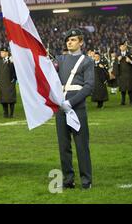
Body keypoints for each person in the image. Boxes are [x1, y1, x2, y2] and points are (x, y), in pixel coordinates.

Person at [56, 29, 94, 189]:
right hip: (60, 109)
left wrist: (71, 103)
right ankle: (68, 179)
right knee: (64, 146)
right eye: (68, 40)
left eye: (72, 40)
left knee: (81, 146)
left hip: (77, 108)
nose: (69, 42)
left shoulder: (87, 61)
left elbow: (89, 86)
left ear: (81, 42)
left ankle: (86, 180)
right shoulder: (60, 59)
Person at [0, 46, 16, 118]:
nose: (1, 53)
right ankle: (5, 113)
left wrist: (11, 62)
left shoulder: (11, 61)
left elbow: (14, 71)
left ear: (7, 53)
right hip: (2, 83)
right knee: (3, 99)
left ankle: (12, 113)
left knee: (11, 99)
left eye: (3, 52)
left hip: (9, 83)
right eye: (1, 52)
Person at [117, 41, 132, 105]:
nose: (123, 47)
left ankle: (131, 101)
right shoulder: (118, 55)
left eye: (124, 46)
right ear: (119, 47)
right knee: (122, 89)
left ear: (126, 47)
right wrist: (118, 61)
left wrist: (130, 61)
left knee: (130, 88)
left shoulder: (130, 54)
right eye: (122, 46)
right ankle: (123, 102)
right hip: (121, 74)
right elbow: (115, 65)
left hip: (129, 73)